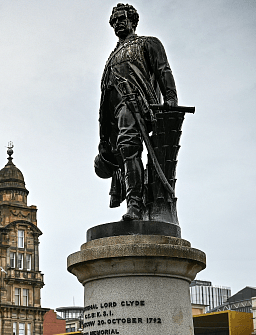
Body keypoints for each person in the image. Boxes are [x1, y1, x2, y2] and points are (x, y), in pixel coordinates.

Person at [97, 3, 178, 220]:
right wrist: (104, 137)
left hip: (138, 105)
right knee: (123, 154)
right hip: (115, 116)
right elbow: (106, 95)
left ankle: (135, 205)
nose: (118, 24)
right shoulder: (111, 58)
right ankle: (136, 201)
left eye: (122, 18)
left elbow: (163, 70)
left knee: (129, 147)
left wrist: (170, 98)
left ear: (133, 20)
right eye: (114, 21)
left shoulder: (148, 43)